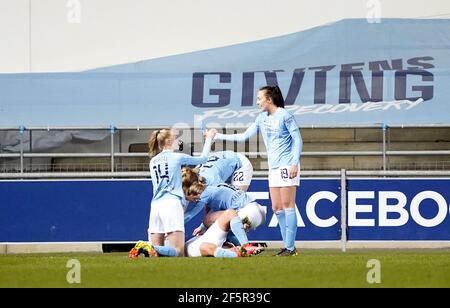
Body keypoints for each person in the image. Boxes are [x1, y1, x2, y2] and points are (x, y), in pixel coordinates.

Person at [214, 85, 302, 257]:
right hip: (274, 167)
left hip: (287, 165)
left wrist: (294, 163)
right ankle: (287, 247)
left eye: (259, 98)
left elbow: (297, 140)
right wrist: (218, 136)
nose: (257, 102)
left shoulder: (285, 115)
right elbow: (244, 136)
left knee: (288, 206)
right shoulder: (261, 118)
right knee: (277, 208)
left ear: (269, 99)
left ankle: (290, 248)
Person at [128, 128, 216, 259]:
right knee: (178, 251)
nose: (177, 141)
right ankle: (148, 246)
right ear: (169, 141)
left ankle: (149, 247)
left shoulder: (153, 161)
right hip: (171, 204)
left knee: (156, 256)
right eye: (175, 139)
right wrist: (209, 138)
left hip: (156, 206)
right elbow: (203, 159)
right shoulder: (176, 157)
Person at [182, 169, 266, 250]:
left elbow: (191, 215)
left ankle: (245, 245)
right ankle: (241, 247)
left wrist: (173, 227)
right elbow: (216, 214)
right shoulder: (213, 187)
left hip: (247, 212)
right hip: (257, 210)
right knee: (222, 226)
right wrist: (202, 227)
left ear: (190, 192)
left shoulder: (203, 196)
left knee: (207, 220)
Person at [184, 209, 263, 258]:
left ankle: (245, 246)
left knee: (230, 213)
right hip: (191, 245)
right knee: (206, 247)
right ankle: (239, 253)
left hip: (203, 239)